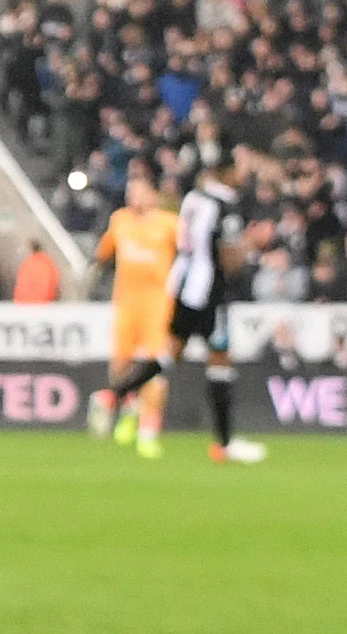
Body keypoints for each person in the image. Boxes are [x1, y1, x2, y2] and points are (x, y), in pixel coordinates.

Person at [94, 167, 187, 454]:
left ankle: (148, 431)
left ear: (153, 195)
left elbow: (189, 253)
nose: (133, 196)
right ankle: (131, 410)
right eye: (130, 191)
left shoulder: (170, 224)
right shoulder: (119, 221)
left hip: (158, 306)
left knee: (153, 369)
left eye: (139, 191)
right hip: (126, 305)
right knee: (120, 368)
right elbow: (102, 254)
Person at [173, 163, 260, 464]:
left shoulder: (194, 199)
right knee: (219, 358)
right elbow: (229, 259)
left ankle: (118, 399)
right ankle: (224, 442)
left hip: (184, 287)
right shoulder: (224, 204)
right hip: (210, 293)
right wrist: (252, 245)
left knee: (170, 354)